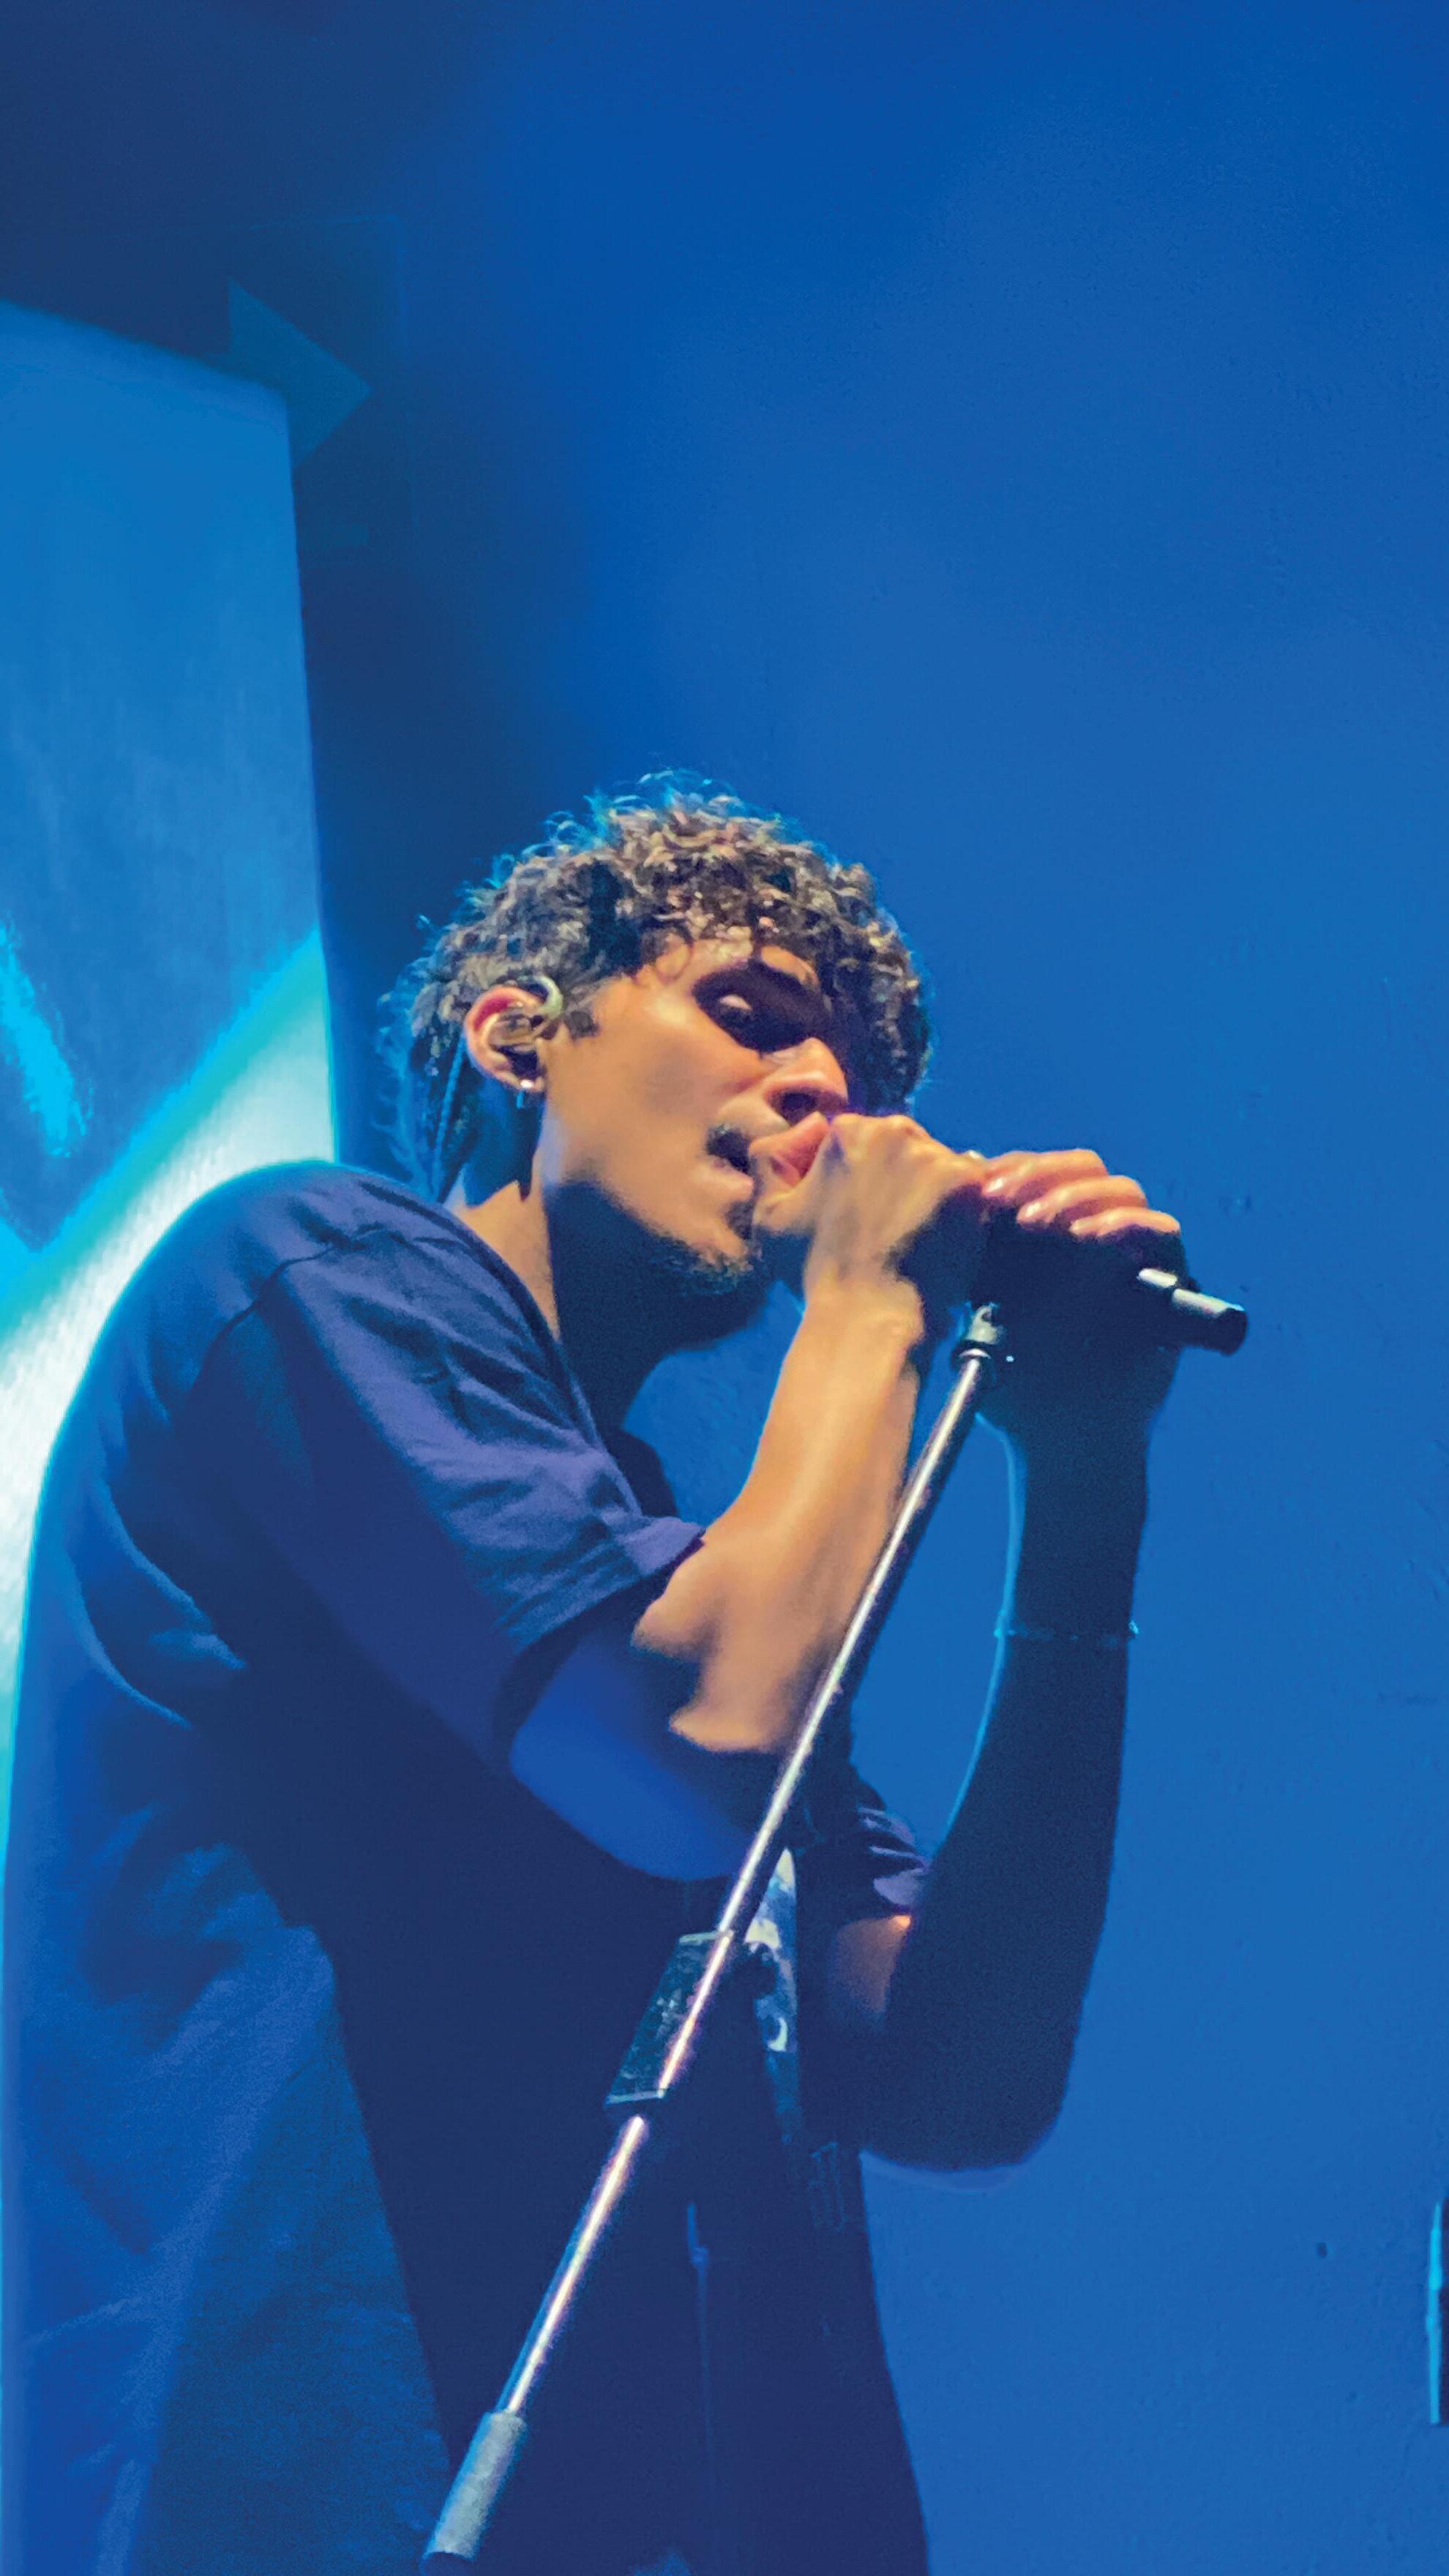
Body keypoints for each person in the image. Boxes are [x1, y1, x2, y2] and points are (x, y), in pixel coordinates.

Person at [3, 779, 1186, 2576]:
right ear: (518, 1036)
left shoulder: (700, 1575)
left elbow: (960, 2078)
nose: (826, 1096)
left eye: (859, 1079)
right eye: (751, 1015)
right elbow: (691, 1743)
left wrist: (1088, 1480)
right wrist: (872, 1301)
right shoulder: (307, 1269)